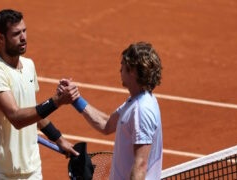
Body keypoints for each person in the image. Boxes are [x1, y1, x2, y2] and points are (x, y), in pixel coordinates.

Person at [0, 9, 79, 179]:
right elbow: (17, 117)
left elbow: (32, 111)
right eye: (16, 34)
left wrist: (59, 138)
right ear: (0, 38)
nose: (23, 37)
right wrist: (56, 101)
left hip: (32, 169)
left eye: (24, 31)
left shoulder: (29, 65)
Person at [63, 41, 163, 179]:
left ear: (132, 71)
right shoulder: (136, 101)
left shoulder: (141, 110)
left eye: (123, 65)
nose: (120, 70)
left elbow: (140, 165)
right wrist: (76, 100)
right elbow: (106, 124)